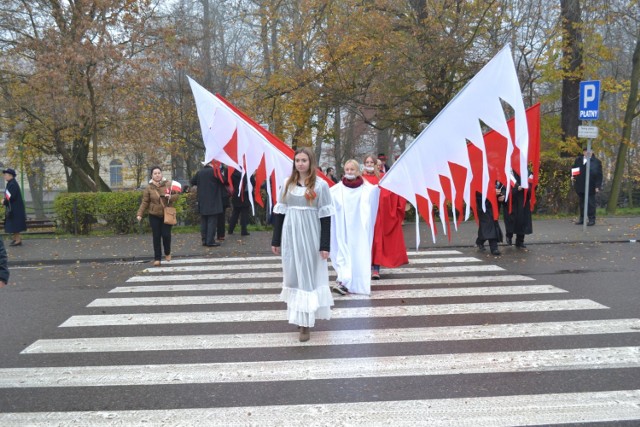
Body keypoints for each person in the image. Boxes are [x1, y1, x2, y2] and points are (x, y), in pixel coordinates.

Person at [271, 147, 335, 342]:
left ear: (311, 163)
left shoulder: (321, 186)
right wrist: (276, 239)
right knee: (293, 277)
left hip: (311, 234)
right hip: (291, 235)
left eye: (304, 160)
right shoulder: (287, 184)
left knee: (307, 276)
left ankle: (305, 324)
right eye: (297, 160)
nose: (300, 163)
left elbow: (325, 217)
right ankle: (298, 316)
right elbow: (280, 213)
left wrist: (325, 245)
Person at [330, 159, 379, 295]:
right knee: (343, 253)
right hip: (343, 228)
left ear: (357, 171)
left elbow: (374, 200)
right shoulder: (337, 190)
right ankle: (343, 280)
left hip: (359, 229)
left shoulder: (367, 188)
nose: (349, 172)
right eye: (347, 169)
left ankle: (357, 284)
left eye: (352, 169)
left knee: (358, 254)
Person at [361, 154, 408, 279]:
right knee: (364, 242)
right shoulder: (359, 178)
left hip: (377, 215)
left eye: (371, 162)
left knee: (377, 242)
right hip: (363, 216)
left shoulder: (382, 178)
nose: (369, 164)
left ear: (375, 164)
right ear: (364, 164)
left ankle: (375, 269)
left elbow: (391, 192)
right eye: (367, 162)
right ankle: (365, 268)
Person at [136, 166, 177, 266]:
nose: (157, 175)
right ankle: (157, 258)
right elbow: (145, 202)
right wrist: (139, 214)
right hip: (154, 215)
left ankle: (167, 252)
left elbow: (177, 195)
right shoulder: (149, 187)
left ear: (161, 174)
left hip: (166, 214)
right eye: (155, 173)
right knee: (156, 236)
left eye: (159, 173)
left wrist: (170, 197)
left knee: (166, 235)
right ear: (152, 175)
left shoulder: (168, 184)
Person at [190, 160, 225, 247]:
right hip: (213, 200)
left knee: (204, 221)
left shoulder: (200, 172)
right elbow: (224, 181)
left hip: (202, 200)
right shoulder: (215, 171)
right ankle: (210, 241)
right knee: (212, 221)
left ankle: (204, 240)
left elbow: (192, 181)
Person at [572, 147, 603, 226]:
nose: (588, 152)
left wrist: (597, 186)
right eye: (586, 151)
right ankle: (582, 219)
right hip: (580, 185)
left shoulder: (597, 162)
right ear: (583, 152)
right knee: (582, 203)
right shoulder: (578, 160)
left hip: (591, 186)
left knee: (590, 203)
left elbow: (599, 175)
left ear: (592, 152)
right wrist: (573, 176)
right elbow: (574, 169)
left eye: (589, 151)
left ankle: (592, 219)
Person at [503, 170, 533, 249]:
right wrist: (516, 188)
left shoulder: (525, 169)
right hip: (512, 200)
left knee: (522, 220)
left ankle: (520, 241)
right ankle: (509, 236)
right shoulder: (509, 169)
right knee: (511, 219)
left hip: (523, 199)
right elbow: (506, 183)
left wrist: (527, 187)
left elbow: (531, 183)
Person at [475, 182, 504, 256]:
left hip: (493, 207)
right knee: (489, 225)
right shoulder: (480, 177)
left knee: (489, 225)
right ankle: (494, 248)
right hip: (484, 207)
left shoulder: (497, 178)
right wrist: (492, 192)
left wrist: (502, 195)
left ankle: (480, 241)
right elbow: (478, 192)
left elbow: (502, 188)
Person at [2, 168, 27, 247]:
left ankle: (18, 240)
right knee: (13, 224)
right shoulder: (11, 183)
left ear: (10, 175)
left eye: (6, 175)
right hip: (13, 208)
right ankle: (16, 239)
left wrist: (4, 201)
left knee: (15, 224)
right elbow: (8, 196)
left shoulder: (12, 184)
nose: (4, 176)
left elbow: (11, 197)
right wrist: (5, 199)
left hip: (15, 209)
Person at [229, 169, 255, 236]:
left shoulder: (233, 173)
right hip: (245, 196)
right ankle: (244, 230)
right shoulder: (248, 173)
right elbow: (253, 183)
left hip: (236, 195)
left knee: (235, 213)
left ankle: (230, 229)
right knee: (244, 214)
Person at [217, 164, 230, 241]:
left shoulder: (226, 170)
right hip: (215, 196)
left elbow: (227, 181)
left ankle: (221, 234)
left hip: (223, 196)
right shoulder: (212, 170)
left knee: (221, 216)